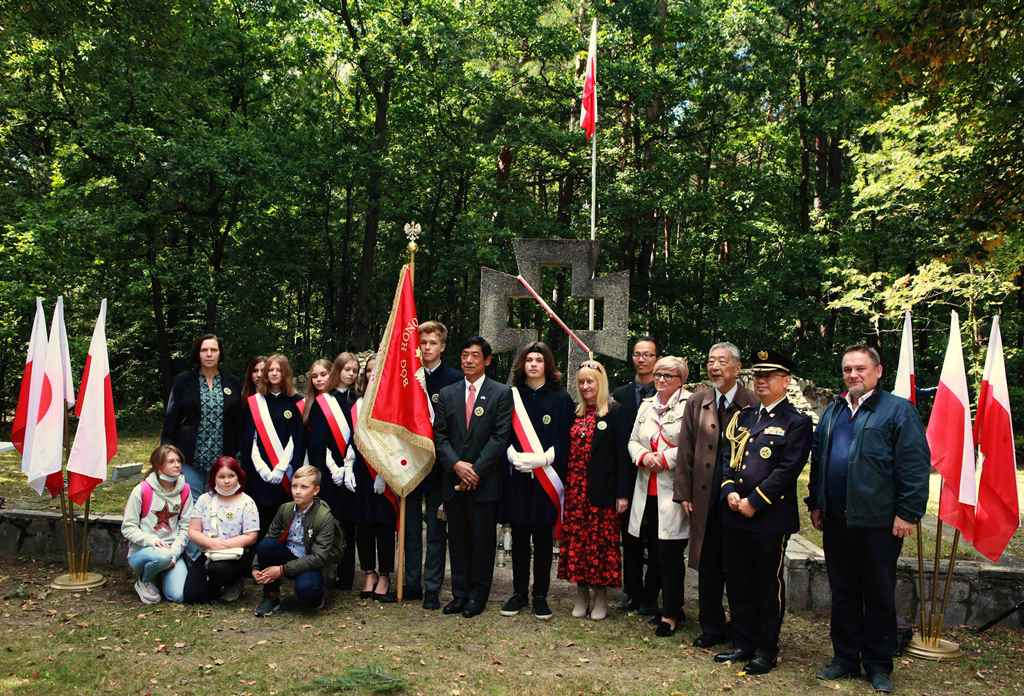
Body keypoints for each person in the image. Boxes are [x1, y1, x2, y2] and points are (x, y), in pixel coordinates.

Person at [807, 345, 930, 694]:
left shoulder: (897, 411)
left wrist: (907, 512)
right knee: (843, 590)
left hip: (878, 522)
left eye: (860, 368)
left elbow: (914, 466)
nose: (852, 374)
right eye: (847, 369)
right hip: (835, 520)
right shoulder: (833, 411)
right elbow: (820, 460)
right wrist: (816, 501)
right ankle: (845, 657)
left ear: (878, 371)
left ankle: (878, 665)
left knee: (877, 593)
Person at [713, 349, 812, 676]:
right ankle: (742, 642)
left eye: (769, 375)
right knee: (738, 581)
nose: (762, 381)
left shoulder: (796, 421)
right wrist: (729, 491)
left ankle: (766, 649)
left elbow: (787, 469)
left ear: (786, 380)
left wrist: (753, 500)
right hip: (733, 513)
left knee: (766, 585)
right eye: (758, 375)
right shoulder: (745, 417)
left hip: (768, 517)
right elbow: (729, 458)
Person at [673, 342, 757, 649]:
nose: (715, 367)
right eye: (710, 361)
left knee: (736, 565)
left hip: (737, 499)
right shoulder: (698, 401)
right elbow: (685, 450)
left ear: (736, 367)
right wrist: (684, 492)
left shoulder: (752, 403)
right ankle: (711, 626)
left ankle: (740, 626)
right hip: (703, 497)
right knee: (707, 565)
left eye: (722, 361)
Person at [434, 336, 513, 618]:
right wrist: (457, 465)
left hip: (484, 481)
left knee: (482, 541)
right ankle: (459, 593)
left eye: (475, 355)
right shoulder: (447, 393)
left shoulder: (501, 393)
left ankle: (478, 596)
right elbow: (440, 435)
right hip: (454, 480)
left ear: (487, 360)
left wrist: (475, 469)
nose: (468, 360)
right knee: (457, 540)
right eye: (465, 354)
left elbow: (500, 436)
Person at [499, 341, 574, 620]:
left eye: (539, 360)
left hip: (546, 477)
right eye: (529, 359)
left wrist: (544, 459)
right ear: (522, 364)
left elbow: (565, 438)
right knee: (519, 537)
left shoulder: (561, 398)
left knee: (543, 540)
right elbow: (502, 432)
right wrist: (512, 455)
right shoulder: (511, 396)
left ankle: (540, 595)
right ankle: (518, 593)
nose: (533, 364)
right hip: (518, 477)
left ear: (547, 365)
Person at [557, 360, 630, 620]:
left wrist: (622, 494)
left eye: (590, 381)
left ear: (600, 384)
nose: (586, 386)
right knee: (577, 543)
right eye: (581, 382)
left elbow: (623, 456)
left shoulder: (615, 412)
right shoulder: (575, 412)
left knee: (599, 545)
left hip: (603, 492)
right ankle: (581, 593)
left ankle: (601, 596)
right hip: (576, 492)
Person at [627, 356, 692, 636]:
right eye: (658, 374)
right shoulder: (646, 405)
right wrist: (642, 455)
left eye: (668, 375)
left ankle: (672, 613)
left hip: (673, 490)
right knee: (653, 551)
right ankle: (660, 605)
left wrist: (664, 458)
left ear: (681, 379)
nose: (661, 379)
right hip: (646, 489)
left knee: (671, 554)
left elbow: (694, 444)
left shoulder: (691, 405)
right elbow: (632, 440)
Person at [405, 321, 463, 609]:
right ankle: (411, 582)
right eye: (423, 342)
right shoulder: (407, 376)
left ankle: (431, 587)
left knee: (436, 530)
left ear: (442, 346)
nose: (426, 347)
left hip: (441, 466)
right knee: (411, 527)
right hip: (410, 463)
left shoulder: (453, 379)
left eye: (432, 343)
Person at [251, 464, 344, 616]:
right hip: (288, 556)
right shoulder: (285, 509)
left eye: (304, 487)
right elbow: (270, 537)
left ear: (316, 490)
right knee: (267, 546)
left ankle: (316, 597)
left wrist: (281, 570)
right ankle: (271, 596)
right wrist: (255, 567)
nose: (297, 491)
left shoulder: (324, 516)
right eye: (294, 486)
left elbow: (319, 557)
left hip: (311, 564)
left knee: (308, 591)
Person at [611, 335, 659, 613]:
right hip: (627, 476)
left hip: (655, 475)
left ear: (657, 358)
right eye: (637, 354)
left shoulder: (667, 393)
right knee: (630, 538)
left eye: (648, 354)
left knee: (654, 539)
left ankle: (651, 594)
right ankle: (632, 592)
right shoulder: (620, 395)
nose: (642, 359)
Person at [161, 334, 244, 493]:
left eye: (214, 350)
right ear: (197, 354)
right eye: (204, 350)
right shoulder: (183, 382)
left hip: (223, 463)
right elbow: (171, 420)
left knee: (218, 509)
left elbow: (239, 423)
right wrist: (166, 454)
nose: (209, 354)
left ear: (220, 353)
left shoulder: (233, 383)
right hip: (189, 459)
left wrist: (237, 457)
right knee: (192, 509)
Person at [305, 352, 360, 591]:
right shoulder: (323, 401)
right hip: (330, 473)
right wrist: (333, 468)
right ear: (337, 370)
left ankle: (346, 576)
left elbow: (361, 437)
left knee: (350, 524)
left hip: (353, 471)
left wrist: (349, 466)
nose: (350, 374)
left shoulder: (358, 400)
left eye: (354, 370)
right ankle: (325, 571)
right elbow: (317, 441)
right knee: (327, 523)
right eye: (346, 369)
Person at [240, 353, 305, 536]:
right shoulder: (255, 402)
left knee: (284, 521)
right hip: (259, 472)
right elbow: (250, 439)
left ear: (286, 374)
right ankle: (256, 562)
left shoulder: (296, 401)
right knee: (259, 519)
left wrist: (281, 468)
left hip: (285, 472)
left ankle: (280, 563)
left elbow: (296, 439)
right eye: (271, 370)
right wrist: (262, 468)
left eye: (279, 370)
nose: (275, 373)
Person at [351, 355, 399, 601]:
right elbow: (353, 440)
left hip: (384, 473)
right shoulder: (357, 404)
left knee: (384, 525)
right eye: (368, 371)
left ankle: (385, 574)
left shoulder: (392, 403)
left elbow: (394, 442)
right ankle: (368, 572)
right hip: (361, 471)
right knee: (364, 525)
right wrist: (349, 465)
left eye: (377, 370)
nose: (372, 374)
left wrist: (382, 473)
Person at [122, 444, 194, 604]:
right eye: (171, 461)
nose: (177, 465)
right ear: (158, 466)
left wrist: (175, 551)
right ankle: (145, 579)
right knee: (162, 556)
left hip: (171, 553)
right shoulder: (142, 490)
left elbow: (186, 526)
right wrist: (151, 540)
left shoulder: (185, 491)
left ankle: (160, 575)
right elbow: (128, 528)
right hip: (145, 552)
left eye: (178, 461)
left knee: (178, 596)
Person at [183, 456, 259, 603]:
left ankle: (233, 582)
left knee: (219, 569)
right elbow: (193, 531)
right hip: (208, 552)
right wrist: (210, 543)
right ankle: (213, 586)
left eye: (231, 476)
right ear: (214, 478)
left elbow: (251, 536)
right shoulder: (205, 499)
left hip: (235, 554)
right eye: (221, 476)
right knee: (191, 597)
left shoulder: (247, 502)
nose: (226, 481)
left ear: (238, 477)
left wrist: (224, 544)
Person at [302, 358, 333, 423]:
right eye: (314, 376)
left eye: (323, 375)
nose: (318, 379)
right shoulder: (305, 404)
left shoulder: (342, 399)